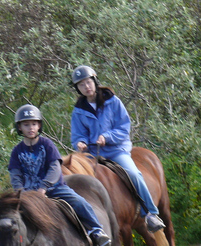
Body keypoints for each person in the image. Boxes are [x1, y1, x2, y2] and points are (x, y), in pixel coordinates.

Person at [69, 66, 166, 233]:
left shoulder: (113, 102)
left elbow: (123, 127)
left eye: (88, 82)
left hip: (116, 150)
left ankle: (151, 213)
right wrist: (80, 143)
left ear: (95, 81)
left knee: (133, 173)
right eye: (81, 85)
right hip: (92, 155)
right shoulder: (78, 111)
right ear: (77, 88)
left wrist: (106, 137)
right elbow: (78, 134)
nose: (86, 87)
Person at [8, 104, 111, 246]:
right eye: (26, 124)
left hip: (54, 189)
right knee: (9, 218)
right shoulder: (17, 151)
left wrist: (44, 187)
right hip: (28, 195)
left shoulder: (47, 145)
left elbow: (55, 168)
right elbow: (15, 174)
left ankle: (96, 231)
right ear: (19, 128)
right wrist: (20, 191)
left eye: (34, 124)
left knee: (79, 202)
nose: (31, 127)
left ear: (39, 126)